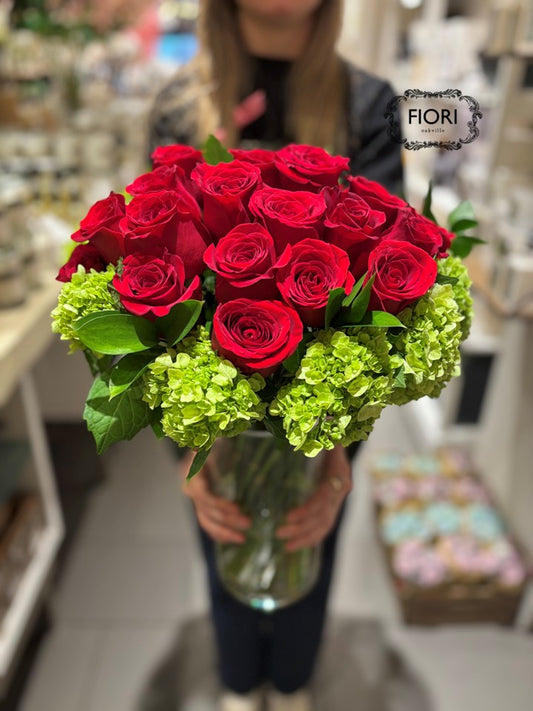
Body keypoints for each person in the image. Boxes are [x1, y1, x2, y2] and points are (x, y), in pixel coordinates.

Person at [148, 2, 403, 710]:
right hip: (218, 420)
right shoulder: (179, 105)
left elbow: (388, 289)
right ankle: (237, 685)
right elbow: (153, 290)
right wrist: (188, 451)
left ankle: (291, 686)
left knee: (308, 540)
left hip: (325, 418)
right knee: (222, 535)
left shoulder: (368, 104)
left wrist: (339, 449)